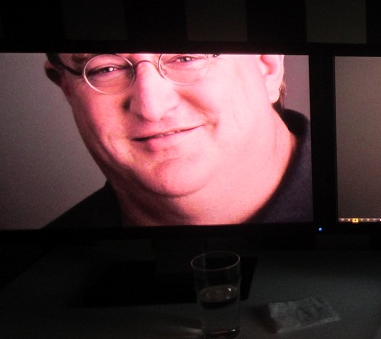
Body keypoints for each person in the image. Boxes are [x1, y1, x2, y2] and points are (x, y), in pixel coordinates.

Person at [43, 52, 312, 226]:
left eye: (186, 58)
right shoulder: (38, 263)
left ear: (267, 66)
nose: (151, 108)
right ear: (67, 88)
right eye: (106, 69)